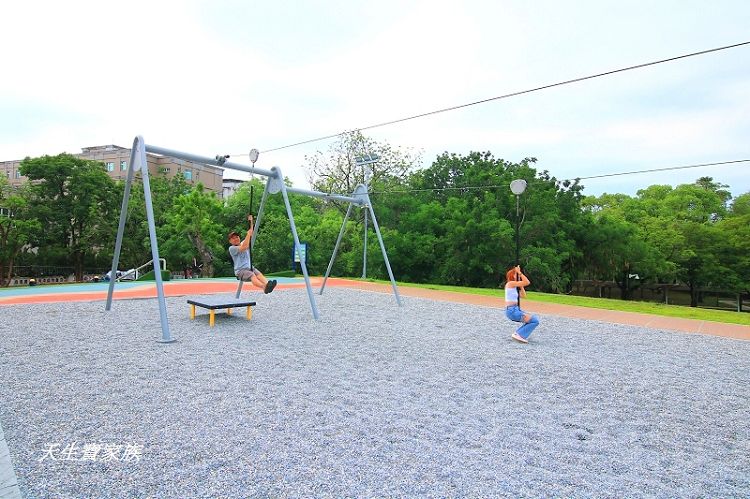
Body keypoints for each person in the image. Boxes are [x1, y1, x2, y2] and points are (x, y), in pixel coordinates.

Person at [228, 215, 277, 294]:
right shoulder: (232, 248)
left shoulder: (244, 242)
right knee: (252, 275)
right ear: (230, 241)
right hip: (241, 271)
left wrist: (251, 221)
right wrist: (248, 235)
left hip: (249, 267)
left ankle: (268, 284)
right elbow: (244, 247)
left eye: (237, 237)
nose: (236, 239)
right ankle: (264, 287)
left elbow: (251, 232)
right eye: (233, 238)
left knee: (258, 273)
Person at [504, 265, 539, 343]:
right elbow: (527, 282)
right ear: (512, 276)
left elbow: (524, 295)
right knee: (534, 320)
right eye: (515, 274)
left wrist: (521, 285)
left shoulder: (513, 287)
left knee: (534, 320)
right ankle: (519, 334)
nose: (517, 276)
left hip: (515, 310)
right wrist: (520, 273)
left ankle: (518, 334)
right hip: (512, 310)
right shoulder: (510, 284)